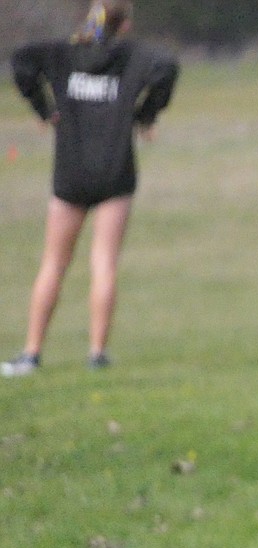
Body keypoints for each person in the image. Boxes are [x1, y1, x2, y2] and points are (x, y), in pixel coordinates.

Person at [3, 1, 179, 378]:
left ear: (89, 18)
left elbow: (20, 61)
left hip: (71, 171)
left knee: (54, 262)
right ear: (126, 25)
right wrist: (146, 115)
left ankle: (32, 353)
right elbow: (167, 67)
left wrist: (43, 109)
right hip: (116, 172)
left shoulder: (63, 53)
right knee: (104, 263)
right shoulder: (133, 56)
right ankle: (97, 354)